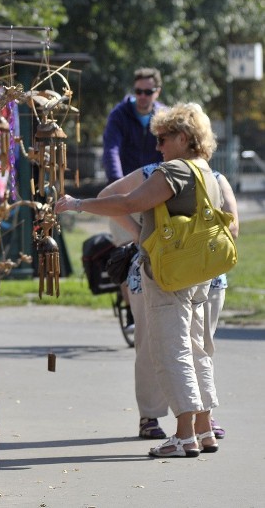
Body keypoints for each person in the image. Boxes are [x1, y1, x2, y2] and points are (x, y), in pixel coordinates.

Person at [56, 102, 227, 458]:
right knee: (197, 350)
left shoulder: (174, 171)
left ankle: (183, 435)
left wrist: (78, 204)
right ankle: (204, 429)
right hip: (197, 273)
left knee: (172, 349)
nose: (158, 146)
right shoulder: (206, 171)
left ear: (183, 137)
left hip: (169, 273)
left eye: (164, 138)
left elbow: (127, 202)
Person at [98, 163, 238, 441]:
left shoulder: (216, 178)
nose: (160, 145)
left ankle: (201, 418)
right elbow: (108, 197)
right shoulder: (153, 173)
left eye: (164, 138)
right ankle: (151, 415)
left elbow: (232, 228)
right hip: (158, 273)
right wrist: (140, 236)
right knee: (153, 346)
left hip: (202, 277)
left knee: (200, 347)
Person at [101, 68, 166, 328]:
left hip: (155, 192)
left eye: (148, 92)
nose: (142, 96)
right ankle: (130, 311)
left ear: (157, 92)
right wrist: (119, 188)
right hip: (125, 192)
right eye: (138, 91)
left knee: (157, 250)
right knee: (128, 253)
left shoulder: (163, 116)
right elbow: (111, 150)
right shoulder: (120, 115)